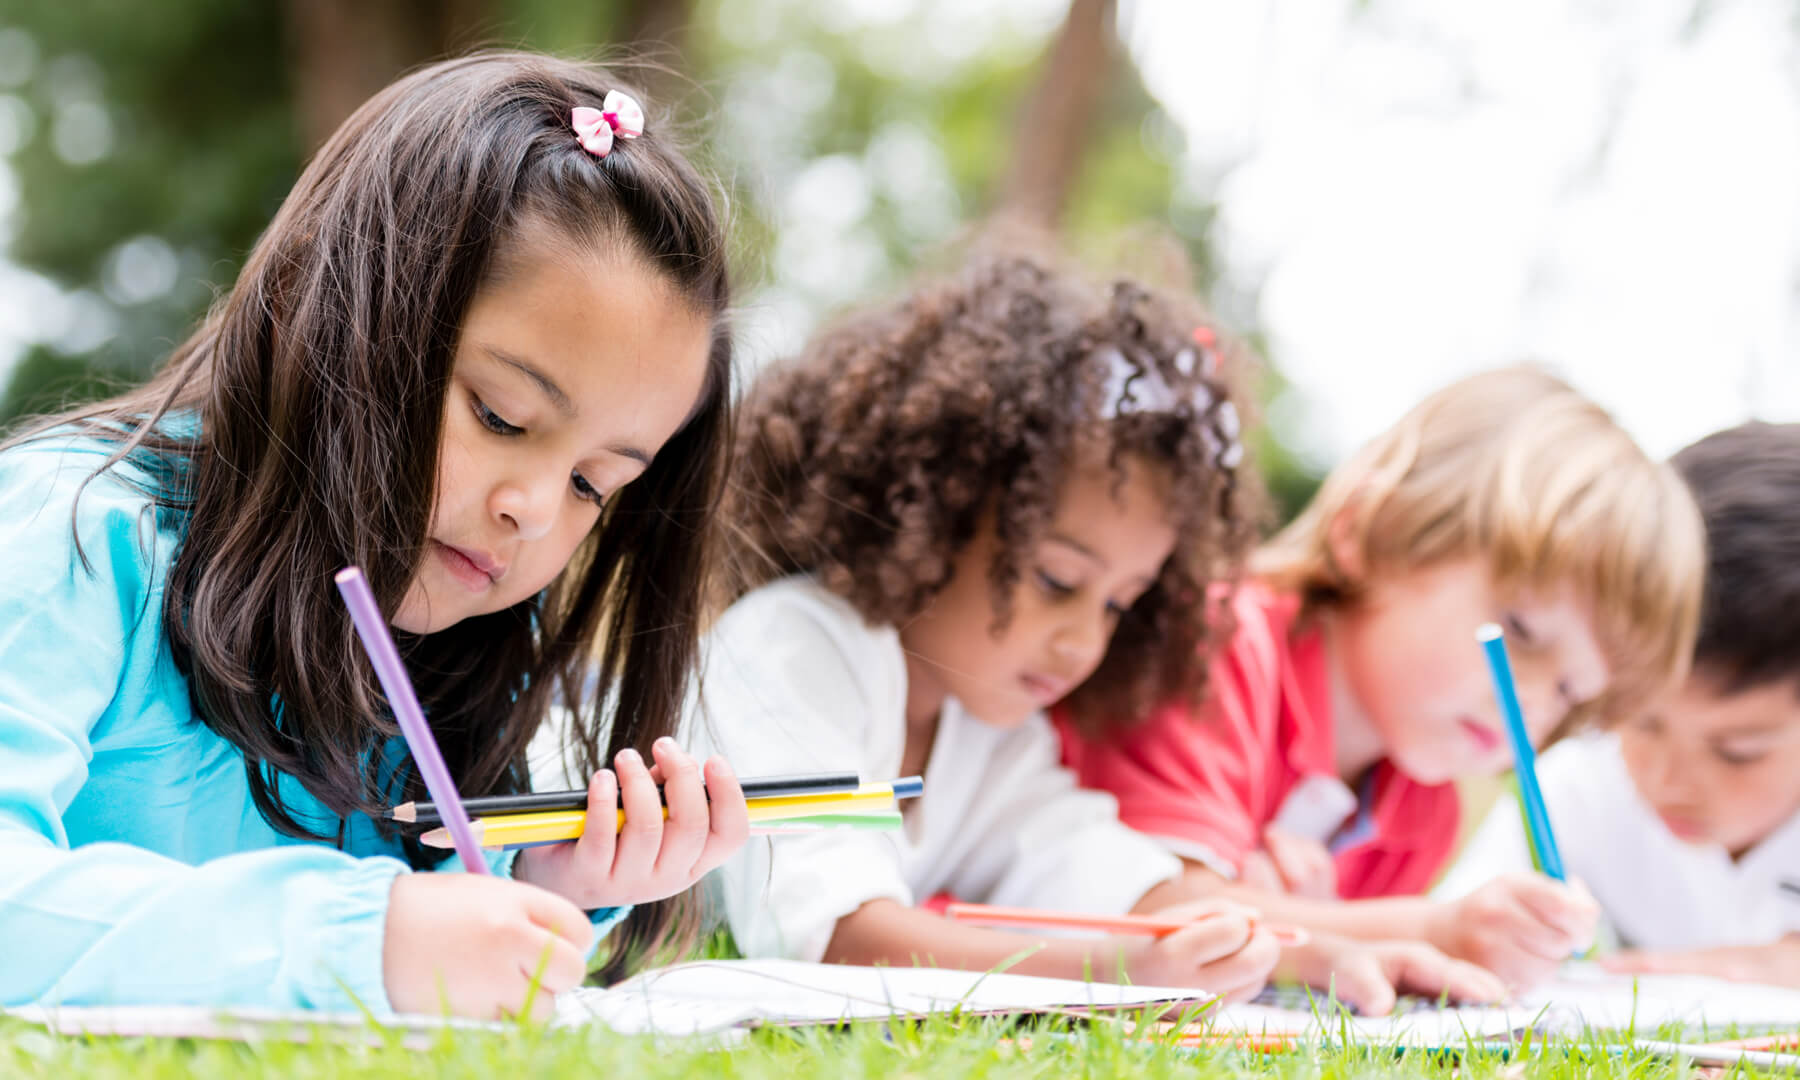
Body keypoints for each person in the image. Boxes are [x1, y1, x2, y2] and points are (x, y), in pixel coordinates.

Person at [0, 52, 750, 1020]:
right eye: (502, 415)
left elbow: (439, 936)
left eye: (590, 484)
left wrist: (548, 890)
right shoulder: (77, 535)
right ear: (346, 313)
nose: (532, 510)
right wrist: (365, 941)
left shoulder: (460, 657)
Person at [689, 248, 1503, 1013]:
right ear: (932, 507)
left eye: (1119, 603)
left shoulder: (988, 735)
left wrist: (1312, 951)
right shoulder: (795, 650)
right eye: (1058, 581)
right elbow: (836, 942)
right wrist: (1116, 975)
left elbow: (1117, 884)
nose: (1084, 642)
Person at [1059, 366, 1705, 991]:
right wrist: (1433, 931)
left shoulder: (1423, 812)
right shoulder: (1218, 645)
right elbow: (1162, 916)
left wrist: (1329, 933)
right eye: (1522, 631)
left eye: (1571, 692)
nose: (1533, 700)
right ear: (1373, 528)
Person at [1439, 421, 1800, 988]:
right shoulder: (1585, 789)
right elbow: (1456, 932)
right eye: (1641, 720)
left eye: (1738, 752)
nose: (1666, 779)